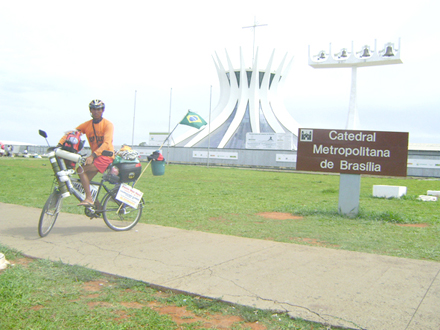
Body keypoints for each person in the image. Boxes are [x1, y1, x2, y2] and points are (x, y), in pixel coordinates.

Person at [59, 99, 114, 207]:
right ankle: (97, 208)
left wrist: (93, 156)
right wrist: (60, 144)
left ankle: (89, 199)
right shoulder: (87, 125)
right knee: (84, 183)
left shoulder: (108, 124)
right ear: (90, 110)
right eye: (93, 109)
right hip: (96, 157)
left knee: (80, 170)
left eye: (98, 109)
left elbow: (106, 143)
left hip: (106, 156)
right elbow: (72, 133)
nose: (96, 111)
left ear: (102, 110)